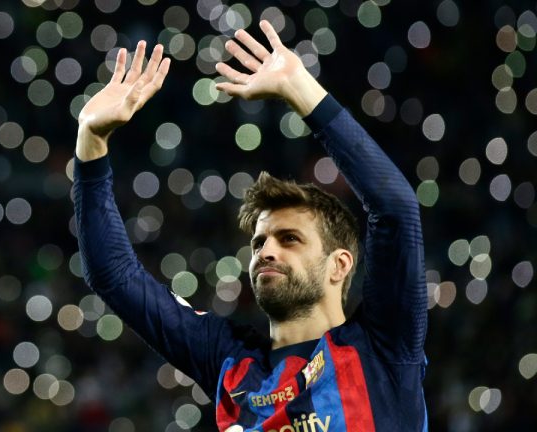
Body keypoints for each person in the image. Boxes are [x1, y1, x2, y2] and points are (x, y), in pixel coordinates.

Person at [72, 19, 428, 432]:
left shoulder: (383, 346)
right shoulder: (228, 359)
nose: (266, 252)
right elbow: (114, 276)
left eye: (289, 238)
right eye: (259, 243)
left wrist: (300, 88)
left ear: (340, 265)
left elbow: (396, 210)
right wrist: (91, 144)